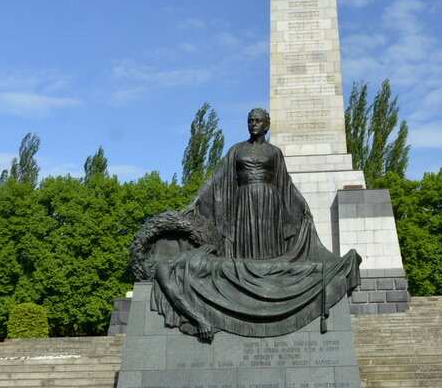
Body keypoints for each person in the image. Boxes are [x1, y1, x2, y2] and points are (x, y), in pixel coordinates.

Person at [151, 108, 361, 341]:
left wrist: (303, 206)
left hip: (269, 202)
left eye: (258, 121)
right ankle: (247, 285)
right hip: (243, 201)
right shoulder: (236, 150)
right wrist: (197, 199)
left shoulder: (274, 152)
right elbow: (216, 178)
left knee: (270, 250)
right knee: (245, 250)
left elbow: (286, 183)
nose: (253, 124)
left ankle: (269, 288)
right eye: (250, 120)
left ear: (267, 125)